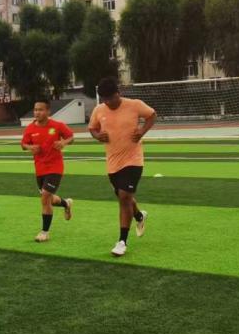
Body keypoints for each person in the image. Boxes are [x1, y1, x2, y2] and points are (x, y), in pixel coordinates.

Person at [88, 77, 156, 257]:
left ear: (118, 93)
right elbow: (92, 128)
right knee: (124, 197)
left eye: (110, 98)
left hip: (133, 159)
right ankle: (139, 216)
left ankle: (122, 242)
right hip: (113, 162)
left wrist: (141, 131)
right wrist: (97, 136)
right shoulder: (99, 110)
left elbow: (152, 115)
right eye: (104, 99)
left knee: (124, 196)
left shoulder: (134, 105)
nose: (108, 102)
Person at [21, 98, 74, 242]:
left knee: (45, 197)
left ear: (48, 111)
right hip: (40, 168)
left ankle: (44, 232)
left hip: (55, 167)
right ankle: (66, 203)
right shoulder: (30, 128)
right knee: (49, 199)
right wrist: (30, 147)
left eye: (40, 109)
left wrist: (63, 142)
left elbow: (71, 137)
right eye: (35, 110)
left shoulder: (57, 125)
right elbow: (23, 144)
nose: (37, 112)